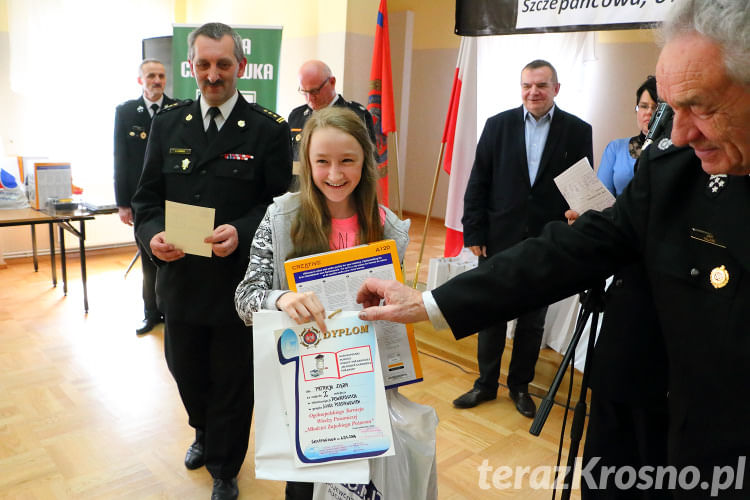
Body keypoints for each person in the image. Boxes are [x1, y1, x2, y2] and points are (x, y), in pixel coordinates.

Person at [356, 0, 750, 497]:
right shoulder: (672, 164)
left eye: (701, 107)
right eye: (671, 107)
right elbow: (578, 245)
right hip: (635, 419)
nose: (677, 131)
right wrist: (433, 301)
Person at [132, 22, 292, 500]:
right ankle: (201, 430)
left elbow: (279, 204)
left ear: (240, 66)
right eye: (203, 64)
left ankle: (225, 465)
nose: (213, 74)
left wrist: (240, 231)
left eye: (223, 64)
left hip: (236, 283)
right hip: (180, 278)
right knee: (186, 370)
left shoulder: (268, 128)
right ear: (191, 66)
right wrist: (151, 234)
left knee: (231, 380)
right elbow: (146, 200)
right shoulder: (168, 123)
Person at [234, 106, 410, 500]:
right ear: (306, 163)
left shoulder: (390, 229)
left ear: (366, 161)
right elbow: (245, 299)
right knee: (304, 487)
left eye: (347, 161)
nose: (334, 175)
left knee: (358, 486)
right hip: (304, 389)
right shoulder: (280, 218)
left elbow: (397, 312)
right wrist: (282, 299)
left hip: (365, 387)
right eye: (322, 162)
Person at [454, 59, 593, 418]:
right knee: (491, 315)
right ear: (520, 88)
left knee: (532, 321)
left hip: (547, 241)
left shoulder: (578, 130)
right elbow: (479, 181)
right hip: (498, 237)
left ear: (556, 89)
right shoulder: (497, 125)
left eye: (542, 85)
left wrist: (576, 227)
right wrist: (475, 231)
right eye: (527, 85)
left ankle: (519, 386)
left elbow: (580, 189)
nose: (533, 92)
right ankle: (485, 384)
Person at [567, 76, 670, 500]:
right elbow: (604, 197)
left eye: (656, 107)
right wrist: (589, 218)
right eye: (642, 106)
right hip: (617, 269)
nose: (648, 114)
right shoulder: (617, 149)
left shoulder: (678, 157)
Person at [113, 58, 176, 335]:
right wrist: (123, 203)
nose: (157, 80)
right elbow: (121, 159)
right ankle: (151, 313)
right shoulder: (127, 112)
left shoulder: (178, 110)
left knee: (176, 256)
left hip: (173, 198)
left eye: (161, 76)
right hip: (142, 201)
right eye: (151, 76)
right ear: (141, 80)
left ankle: (172, 310)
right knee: (149, 259)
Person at [288, 60, 376, 163]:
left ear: (332, 82)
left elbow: (369, 162)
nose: (310, 98)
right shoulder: (296, 116)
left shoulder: (356, 115)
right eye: (304, 92)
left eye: (315, 91)